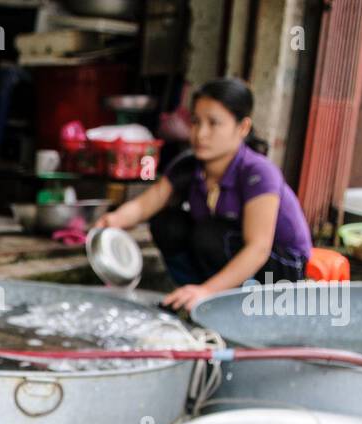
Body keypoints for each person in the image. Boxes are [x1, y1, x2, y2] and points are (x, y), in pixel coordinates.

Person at [94, 77, 312, 311]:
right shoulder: (189, 165)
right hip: (228, 249)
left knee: (209, 234)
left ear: (243, 127)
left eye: (214, 123)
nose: (201, 134)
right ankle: (191, 293)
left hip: (283, 269)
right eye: (196, 122)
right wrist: (113, 221)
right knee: (167, 224)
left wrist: (207, 291)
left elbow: (258, 248)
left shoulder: (258, 172)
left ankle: (223, 300)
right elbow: (145, 206)